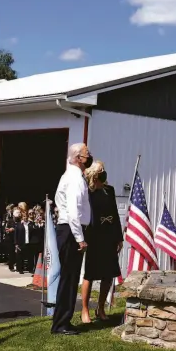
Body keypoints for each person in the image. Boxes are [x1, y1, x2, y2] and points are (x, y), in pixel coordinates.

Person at [51, 143, 93, 336]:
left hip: (69, 230)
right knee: (69, 278)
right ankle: (61, 324)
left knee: (71, 277)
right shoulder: (75, 177)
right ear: (78, 158)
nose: (89, 155)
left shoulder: (72, 175)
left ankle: (63, 320)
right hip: (70, 231)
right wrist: (79, 238)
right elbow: (74, 211)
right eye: (86, 153)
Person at [81, 161, 123, 323]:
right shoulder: (87, 191)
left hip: (109, 236)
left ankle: (101, 308)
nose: (104, 173)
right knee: (90, 274)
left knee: (108, 274)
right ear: (94, 174)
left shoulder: (109, 190)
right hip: (94, 236)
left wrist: (119, 237)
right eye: (101, 171)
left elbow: (115, 213)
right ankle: (85, 310)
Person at [4, 207, 20, 272]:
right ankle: (11, 266)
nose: (16, 218)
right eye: (15, 217)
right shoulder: (10, 221)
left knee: (17, 253)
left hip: (17, 238)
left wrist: (14, 229)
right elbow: (6, 229)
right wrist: (9, 230)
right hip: (10, 239)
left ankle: (17, 265)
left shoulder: (19, 221)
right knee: (11, 253)